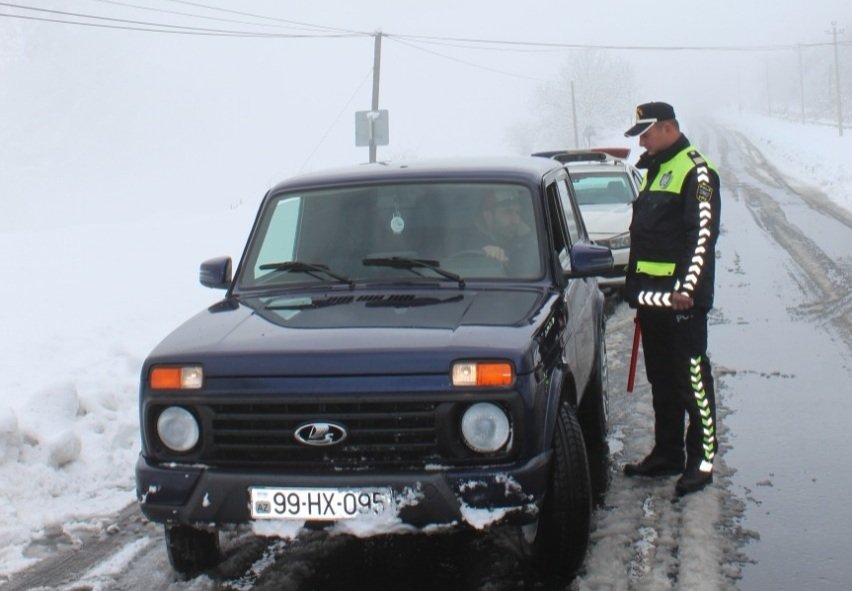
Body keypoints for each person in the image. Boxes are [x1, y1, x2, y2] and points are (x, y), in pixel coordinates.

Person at [621, 102, 722, 496]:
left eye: (646, 133)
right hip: (652, 301)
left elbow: (701, 237)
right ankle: (668, 454)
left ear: (669, 128)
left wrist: (689, 288)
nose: (642, 140)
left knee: (692, 381)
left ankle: (702, 461)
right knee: (661, 381)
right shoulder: (656, 169)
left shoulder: (695, 172)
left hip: (681, 304)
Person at [468, 189, 534, 271]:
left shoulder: (524, 237)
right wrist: (481, 256)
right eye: (508, 212)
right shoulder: (465, 242)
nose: (516, 221)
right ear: (488, 216)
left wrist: (528, 238)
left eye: (518, 212)